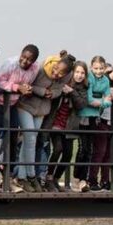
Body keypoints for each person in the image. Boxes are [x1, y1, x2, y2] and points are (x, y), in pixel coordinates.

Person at [14, 51, 75, 192]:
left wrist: (52, 93)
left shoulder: (66, 77)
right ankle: (30, 176)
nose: (56, 74)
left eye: (60, 74)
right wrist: (42, 91)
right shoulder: (41, 69)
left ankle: (22, 176)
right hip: (27, 106)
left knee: (29, 141)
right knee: (30, 137)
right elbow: (28, 83)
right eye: (56, 70)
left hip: (42, 110)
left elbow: (59, 90)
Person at [0, 45, 40, 193]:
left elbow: (29, 82)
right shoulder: (10, 63)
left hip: (13, 105)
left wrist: (26, 88)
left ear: (33, 61)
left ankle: (9, 177)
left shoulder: (35, 68)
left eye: (28, 60)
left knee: (12, 140)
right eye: (23, 57)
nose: (24, 61)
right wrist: (16, 87)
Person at [45, 61, 89, 192]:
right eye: (77, 72)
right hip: (56, 122)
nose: (79, 75)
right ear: (72, 72)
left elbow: (81, 105)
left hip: (69, 126)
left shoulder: (83, 89)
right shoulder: (62, 82)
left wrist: (72, 92)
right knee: (57, 149)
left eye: (82, 73)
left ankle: (56, 179)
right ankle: (48, 177)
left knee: (68, 154)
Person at [78, 56, 113, 192]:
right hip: (84, 115)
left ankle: (86, 179)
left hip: (95, 115)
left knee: (91, 148)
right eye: (96, 68)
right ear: (91, 67)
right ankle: (80, 177)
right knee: (84, 148)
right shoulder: (89, 77)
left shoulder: (105, 80)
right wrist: (102, 102)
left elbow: (108, 97)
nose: (99, 71)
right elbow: (89, 99)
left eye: (101, 68)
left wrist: (102, 101)